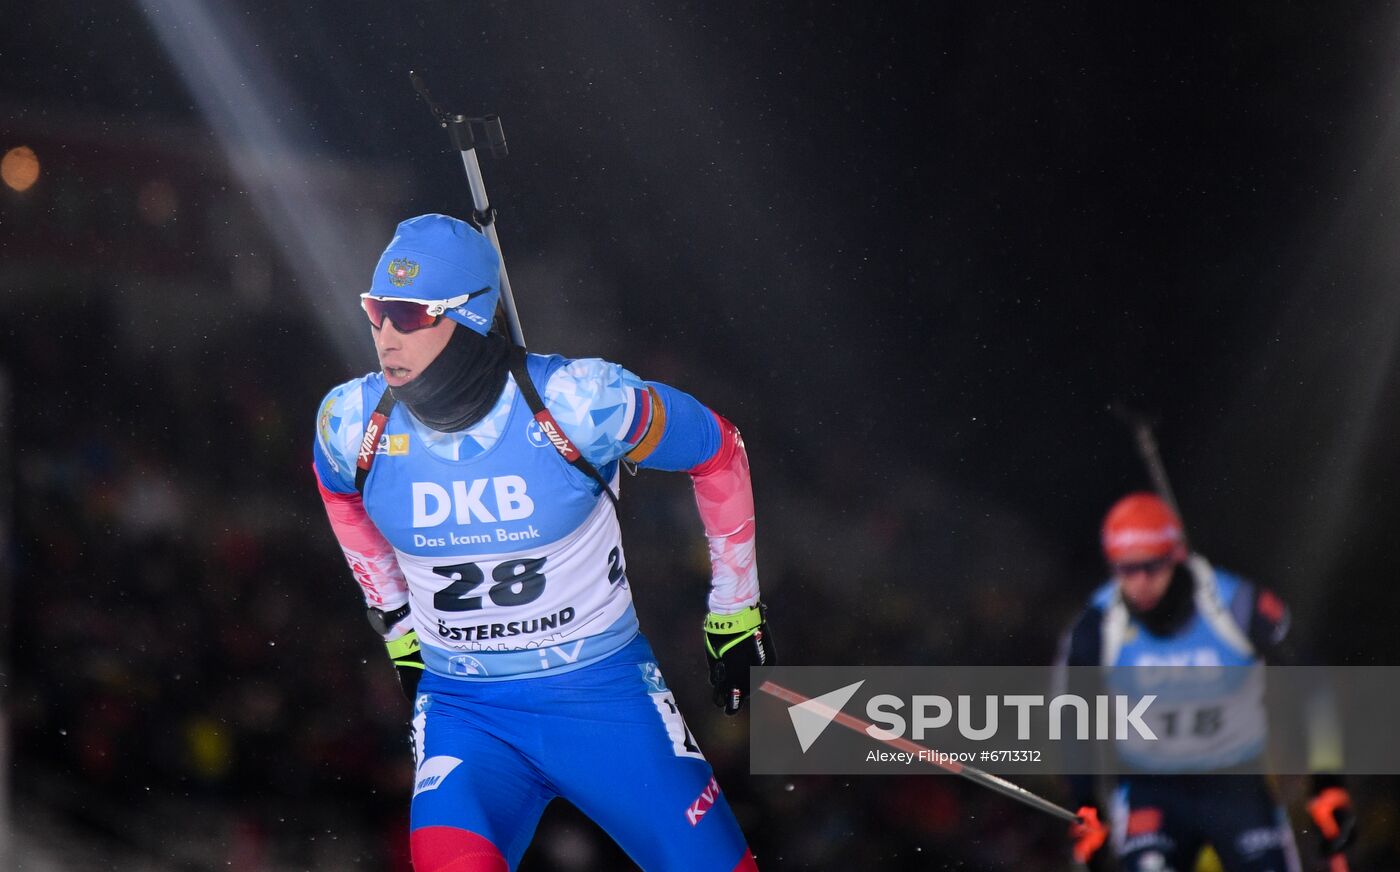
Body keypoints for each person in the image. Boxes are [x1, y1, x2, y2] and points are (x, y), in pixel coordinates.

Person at [311, 214, 773, 872]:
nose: (386, 335)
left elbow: (719, 450)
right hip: (467, 714)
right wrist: (397, 626)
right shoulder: (352, 421)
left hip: (604, 700)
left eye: (410, 316)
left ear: (470, 315)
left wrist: (736, 610)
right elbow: (339, 495)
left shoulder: (580, 404)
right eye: (377, 310)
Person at [1058, 492, 1355, 871]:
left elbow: (1310, 682)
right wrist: (1085, 804)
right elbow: (1074, 716)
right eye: (1126, 570)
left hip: (1235, 782)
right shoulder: (1098, 623)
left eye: (1152, 566)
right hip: (1151, 789)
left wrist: (1327, 782)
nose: (1141, 583)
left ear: (1176, 555)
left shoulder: (1234, 603)